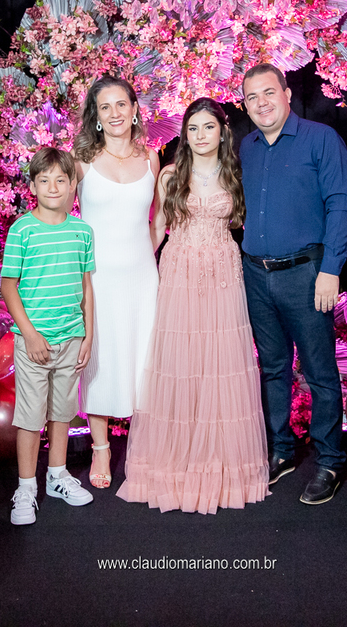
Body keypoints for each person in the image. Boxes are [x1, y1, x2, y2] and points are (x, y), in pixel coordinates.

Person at [117, 98, 269, 513]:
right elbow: (157, 229)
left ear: (223, 131)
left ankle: (221, 465)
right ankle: (174, 463)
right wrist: (129, 272)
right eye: (193, 128)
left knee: (221, 363)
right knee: (179, 363)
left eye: (208, 127)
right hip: (179, 272)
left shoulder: (237, 173)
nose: (201, 135)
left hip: (222, 275)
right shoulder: (170, 174)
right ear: (184, 135)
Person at [240, 63, 347, 506]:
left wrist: (331, 268)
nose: (262, 103)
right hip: (256, 274)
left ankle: (330, 461)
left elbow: (341, 204)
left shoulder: (320, 139)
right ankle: (282, 451)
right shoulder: (247, 146)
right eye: (252, 97)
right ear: (245, 105)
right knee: (273, 368)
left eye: (269, 92)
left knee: (319, 372)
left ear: (287, 94)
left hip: (306, 274)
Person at [0, 147, 97, 525]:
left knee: (62, 412)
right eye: (44, 180)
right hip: (34, 343)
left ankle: (57, 475)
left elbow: (86, 287)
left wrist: (87, 335)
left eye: (61, 180)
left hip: (72, 337)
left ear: (73, 185)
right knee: (30, 417)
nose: (53, 187)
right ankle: (26, 486)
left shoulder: (82, 232)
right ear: (33, 186)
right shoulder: (22, 230)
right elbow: (9, 286)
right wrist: (30, 334)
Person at [74, 75, 161, 488]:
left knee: (146, 359)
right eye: (105, 107)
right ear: (96, 115)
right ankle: (101, 449)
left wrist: (145, 255)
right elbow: (61, 220)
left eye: (121, 104)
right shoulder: (80, 161)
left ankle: (147, 447)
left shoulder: (153, 158)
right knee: (101, 360)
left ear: (134, 109)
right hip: (97, 279)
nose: (114, 113)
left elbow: (158, 220)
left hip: (144, 277)